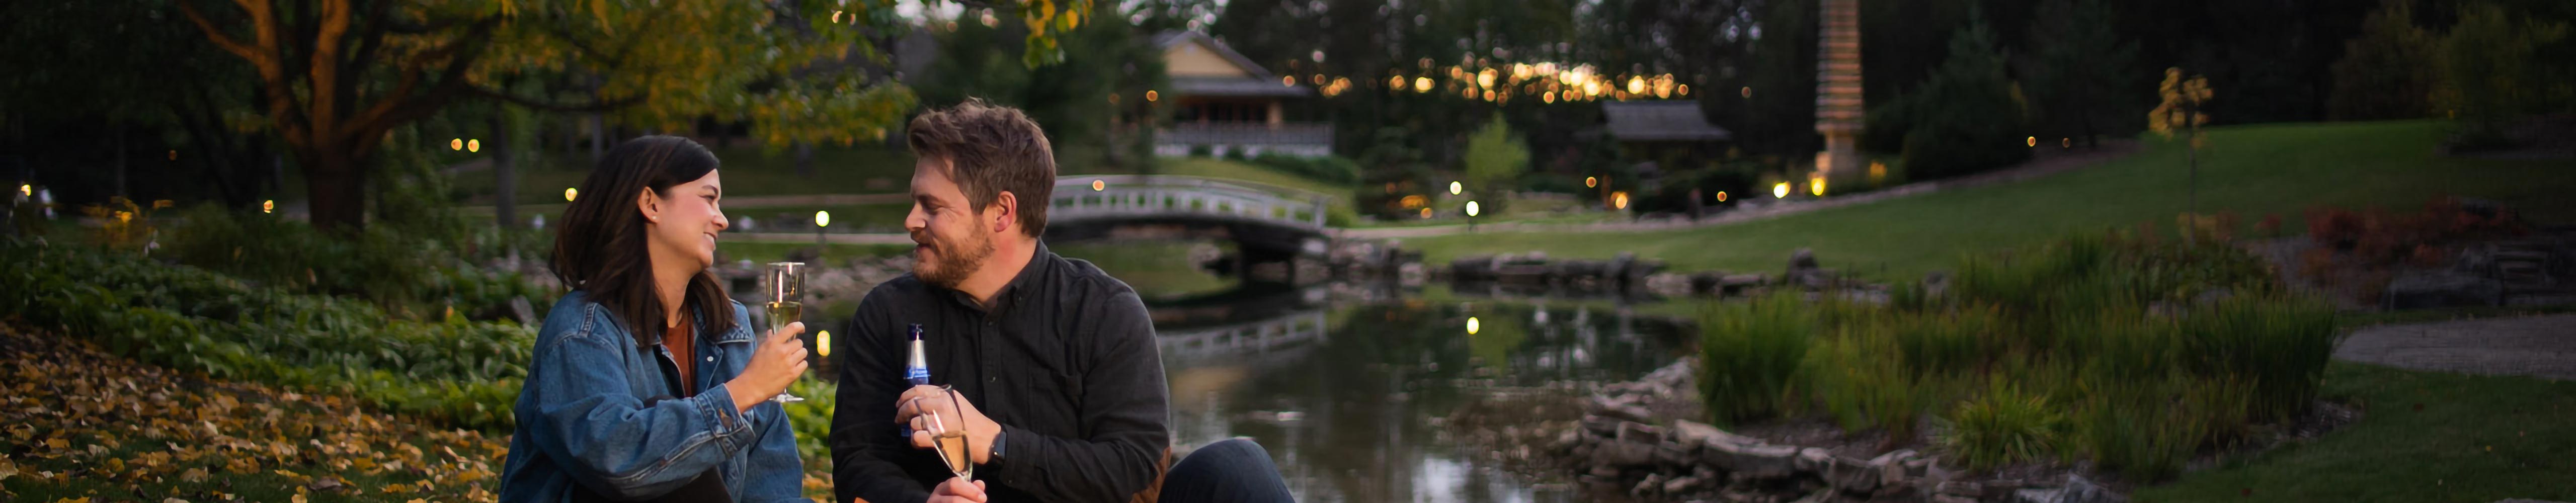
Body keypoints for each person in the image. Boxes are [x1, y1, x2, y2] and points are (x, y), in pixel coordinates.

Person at [830, 101, 1296, 503]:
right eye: (916, 203)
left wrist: (995, 441)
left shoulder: (1105, 310)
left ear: (1002, 212)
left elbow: (1132, 465)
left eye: (932, 207)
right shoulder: (887, 313)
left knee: (1238, 464)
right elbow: (857, 461)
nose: (912, 221)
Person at [500, 135, 813, 503]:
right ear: (651, 204)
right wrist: (743, 392)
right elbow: (618, 457)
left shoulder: (729, 327)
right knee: (656, 416)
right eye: (709, 198)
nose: (723, 220)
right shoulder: (582, 330)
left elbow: (771, 477)